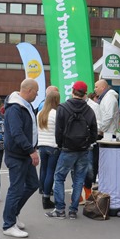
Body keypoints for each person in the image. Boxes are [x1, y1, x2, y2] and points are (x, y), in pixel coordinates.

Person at [45, 81, 97, 220]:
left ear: (73, 91)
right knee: (79, 179)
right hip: (83, 150)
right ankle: (73, 211)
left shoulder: (63, 107)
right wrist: (87, 143)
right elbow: (94, 132)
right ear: (85, 94)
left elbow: (58, 130)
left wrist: (61, 144)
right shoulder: (89, 110)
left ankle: (60, 210)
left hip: (67, 149)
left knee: (59, 177)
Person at [2, 78, 40, 238]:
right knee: (16, 189)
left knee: (32, 184)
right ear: (29, 90)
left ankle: (14, 214)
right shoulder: (15, 108)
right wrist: (31, 150)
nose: (37, 95)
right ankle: (8, 225)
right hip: (17, 155)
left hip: (24, 154)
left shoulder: (25, 105)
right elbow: (17, 132)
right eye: (36, 92)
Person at [37, 90, 60, 209]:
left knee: (44, 170)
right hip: (53, 146)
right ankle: (46, 197)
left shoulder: (40, 113)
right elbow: (59, 131)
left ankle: (43, 193)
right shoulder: (56, 114)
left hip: (42, 145)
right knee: (51, 172)